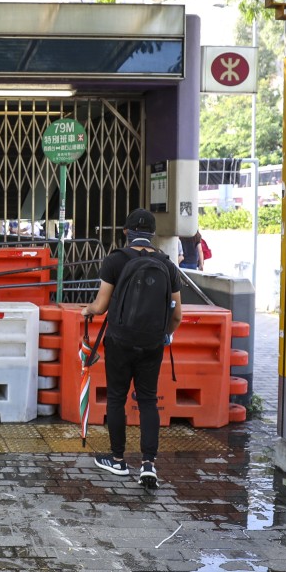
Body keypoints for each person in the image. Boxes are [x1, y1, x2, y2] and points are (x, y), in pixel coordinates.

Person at [83, 208, 183, 488]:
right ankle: (148, 464)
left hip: (120, 341)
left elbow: (101, 306)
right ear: (152, 234)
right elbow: (177, 315)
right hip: (152, 343)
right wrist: (164, 335)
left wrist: (87, 310)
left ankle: (118, 460)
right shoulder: (167, 265)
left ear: (126, 232)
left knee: (116, 397)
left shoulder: (115, 260)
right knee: (148, 399)